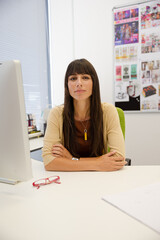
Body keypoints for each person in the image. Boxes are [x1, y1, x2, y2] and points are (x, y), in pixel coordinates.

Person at [42, 58, 126, 171]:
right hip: (69, 179)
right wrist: (97, 163)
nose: (79, 83)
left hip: (101, 178)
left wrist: (72, 159)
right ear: (67, 85)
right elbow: (49, 162)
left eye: (85, 77)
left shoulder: (108, 111)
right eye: (73, 78)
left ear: (94, 83)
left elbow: (118, 159)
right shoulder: (56, 114)